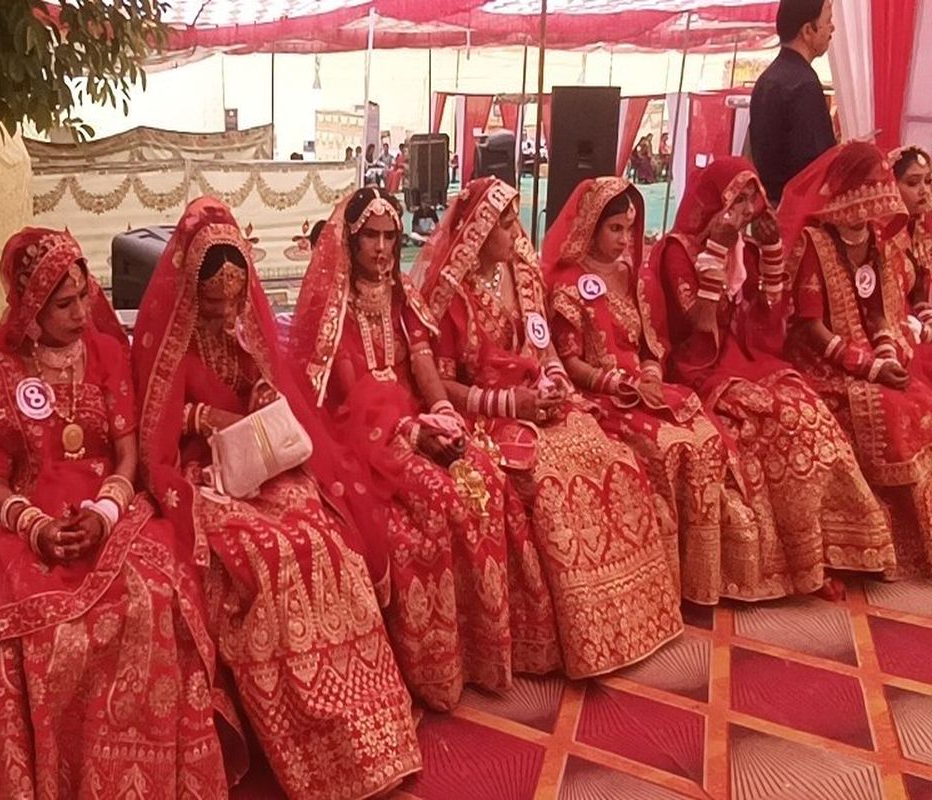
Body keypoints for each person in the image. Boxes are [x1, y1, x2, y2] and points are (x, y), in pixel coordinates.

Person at [132, 197, 422, 800]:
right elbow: (153, 431)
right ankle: (311, 746)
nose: (225, 316)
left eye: (234, 304)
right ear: (192, 295)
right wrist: (201, 417)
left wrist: (263, 392)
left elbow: (265, 386)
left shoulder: (241, 331)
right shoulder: (172, 342)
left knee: (326, 541)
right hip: (204, 477)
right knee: (268, 559)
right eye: (214, 306)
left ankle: (368, 728)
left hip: (259, 463)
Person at [0, 227, 237, 797]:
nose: (80, 313)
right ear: (30, 310)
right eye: (63, 305)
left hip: (111, 509)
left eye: (83, 297)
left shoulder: (108, 355)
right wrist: (35, 527)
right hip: (30, 524)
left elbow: (127, 454)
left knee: (154, 596)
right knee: (47, 627)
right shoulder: (1, 372)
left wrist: (105, 512)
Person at [290, 187, 559, 710]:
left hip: (415, 416)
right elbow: (350, 395)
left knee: (485, 479)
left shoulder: (401, 297)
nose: (382, 248)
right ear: (351, 240)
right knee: (440, 502)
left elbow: (422, 362)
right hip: (363, 436)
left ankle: (488, 652)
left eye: (390, 237)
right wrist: (413, 432)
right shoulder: (336, 307)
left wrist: (444, 414)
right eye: (371, 237)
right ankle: (436, 670)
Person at [413, 176, 683, 679]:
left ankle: (629, 618)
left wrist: (556, 381)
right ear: (478, 232)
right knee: (556, 483)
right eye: (506, 224)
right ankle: (583, 637)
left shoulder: (523, 275)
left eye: (515, 221)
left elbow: (546, 346)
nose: (516, 233)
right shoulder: (454, 295)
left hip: (541, 400)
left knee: (612, 459)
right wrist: (510, 403)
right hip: (489, 414)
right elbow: (442, 383)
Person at [543, 177, 795, 603]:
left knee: (708, 436)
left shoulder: (631, 276)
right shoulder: (568, 284)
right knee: (674, 446)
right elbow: (569, 361)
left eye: (629, 229)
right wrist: (619, 383)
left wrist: (651, 375)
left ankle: (709, 579)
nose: (625, 239)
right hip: (602, 395)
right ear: (590, 226)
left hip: (643, 388)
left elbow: (649, 344)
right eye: (615, 229)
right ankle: (675, 582)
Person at [651, 156, 894, 593]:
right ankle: (800, 562)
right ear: (714, 201)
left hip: (753, 360)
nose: (747, 210)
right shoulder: (678, 251)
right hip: (703, 368)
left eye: (753, 199)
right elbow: (698, 327)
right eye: (737, 201)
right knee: (777, 420)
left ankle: (838, 548)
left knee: (812, 414)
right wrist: (716, 251)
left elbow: (769, 331)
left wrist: (772, 255)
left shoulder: (746, 251)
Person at [781, 141, 932, 576]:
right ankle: (885, 539)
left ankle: (916, 539)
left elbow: (879, 311)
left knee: (920, 400)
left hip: (868, 354)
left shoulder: (875, 240)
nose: (876, 200)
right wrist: (868, 367)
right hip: (822, 361)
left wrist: (885, 352)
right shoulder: (814, 241)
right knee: (890, 408)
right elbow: (811, 327)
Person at [749, 0, 837, 205]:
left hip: (768, 206)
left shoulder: (767, 79)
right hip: (796, 209)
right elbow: (816, 165)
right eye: (828, 20)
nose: (832, 28)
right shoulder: (804, 84)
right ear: (808, 31)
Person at [888, 146, 932, 338]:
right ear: (892, 185)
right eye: (913, 183)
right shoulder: (883, 236)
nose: (924, 191)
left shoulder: (918, 229)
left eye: (928, 181)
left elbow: (918, 289)